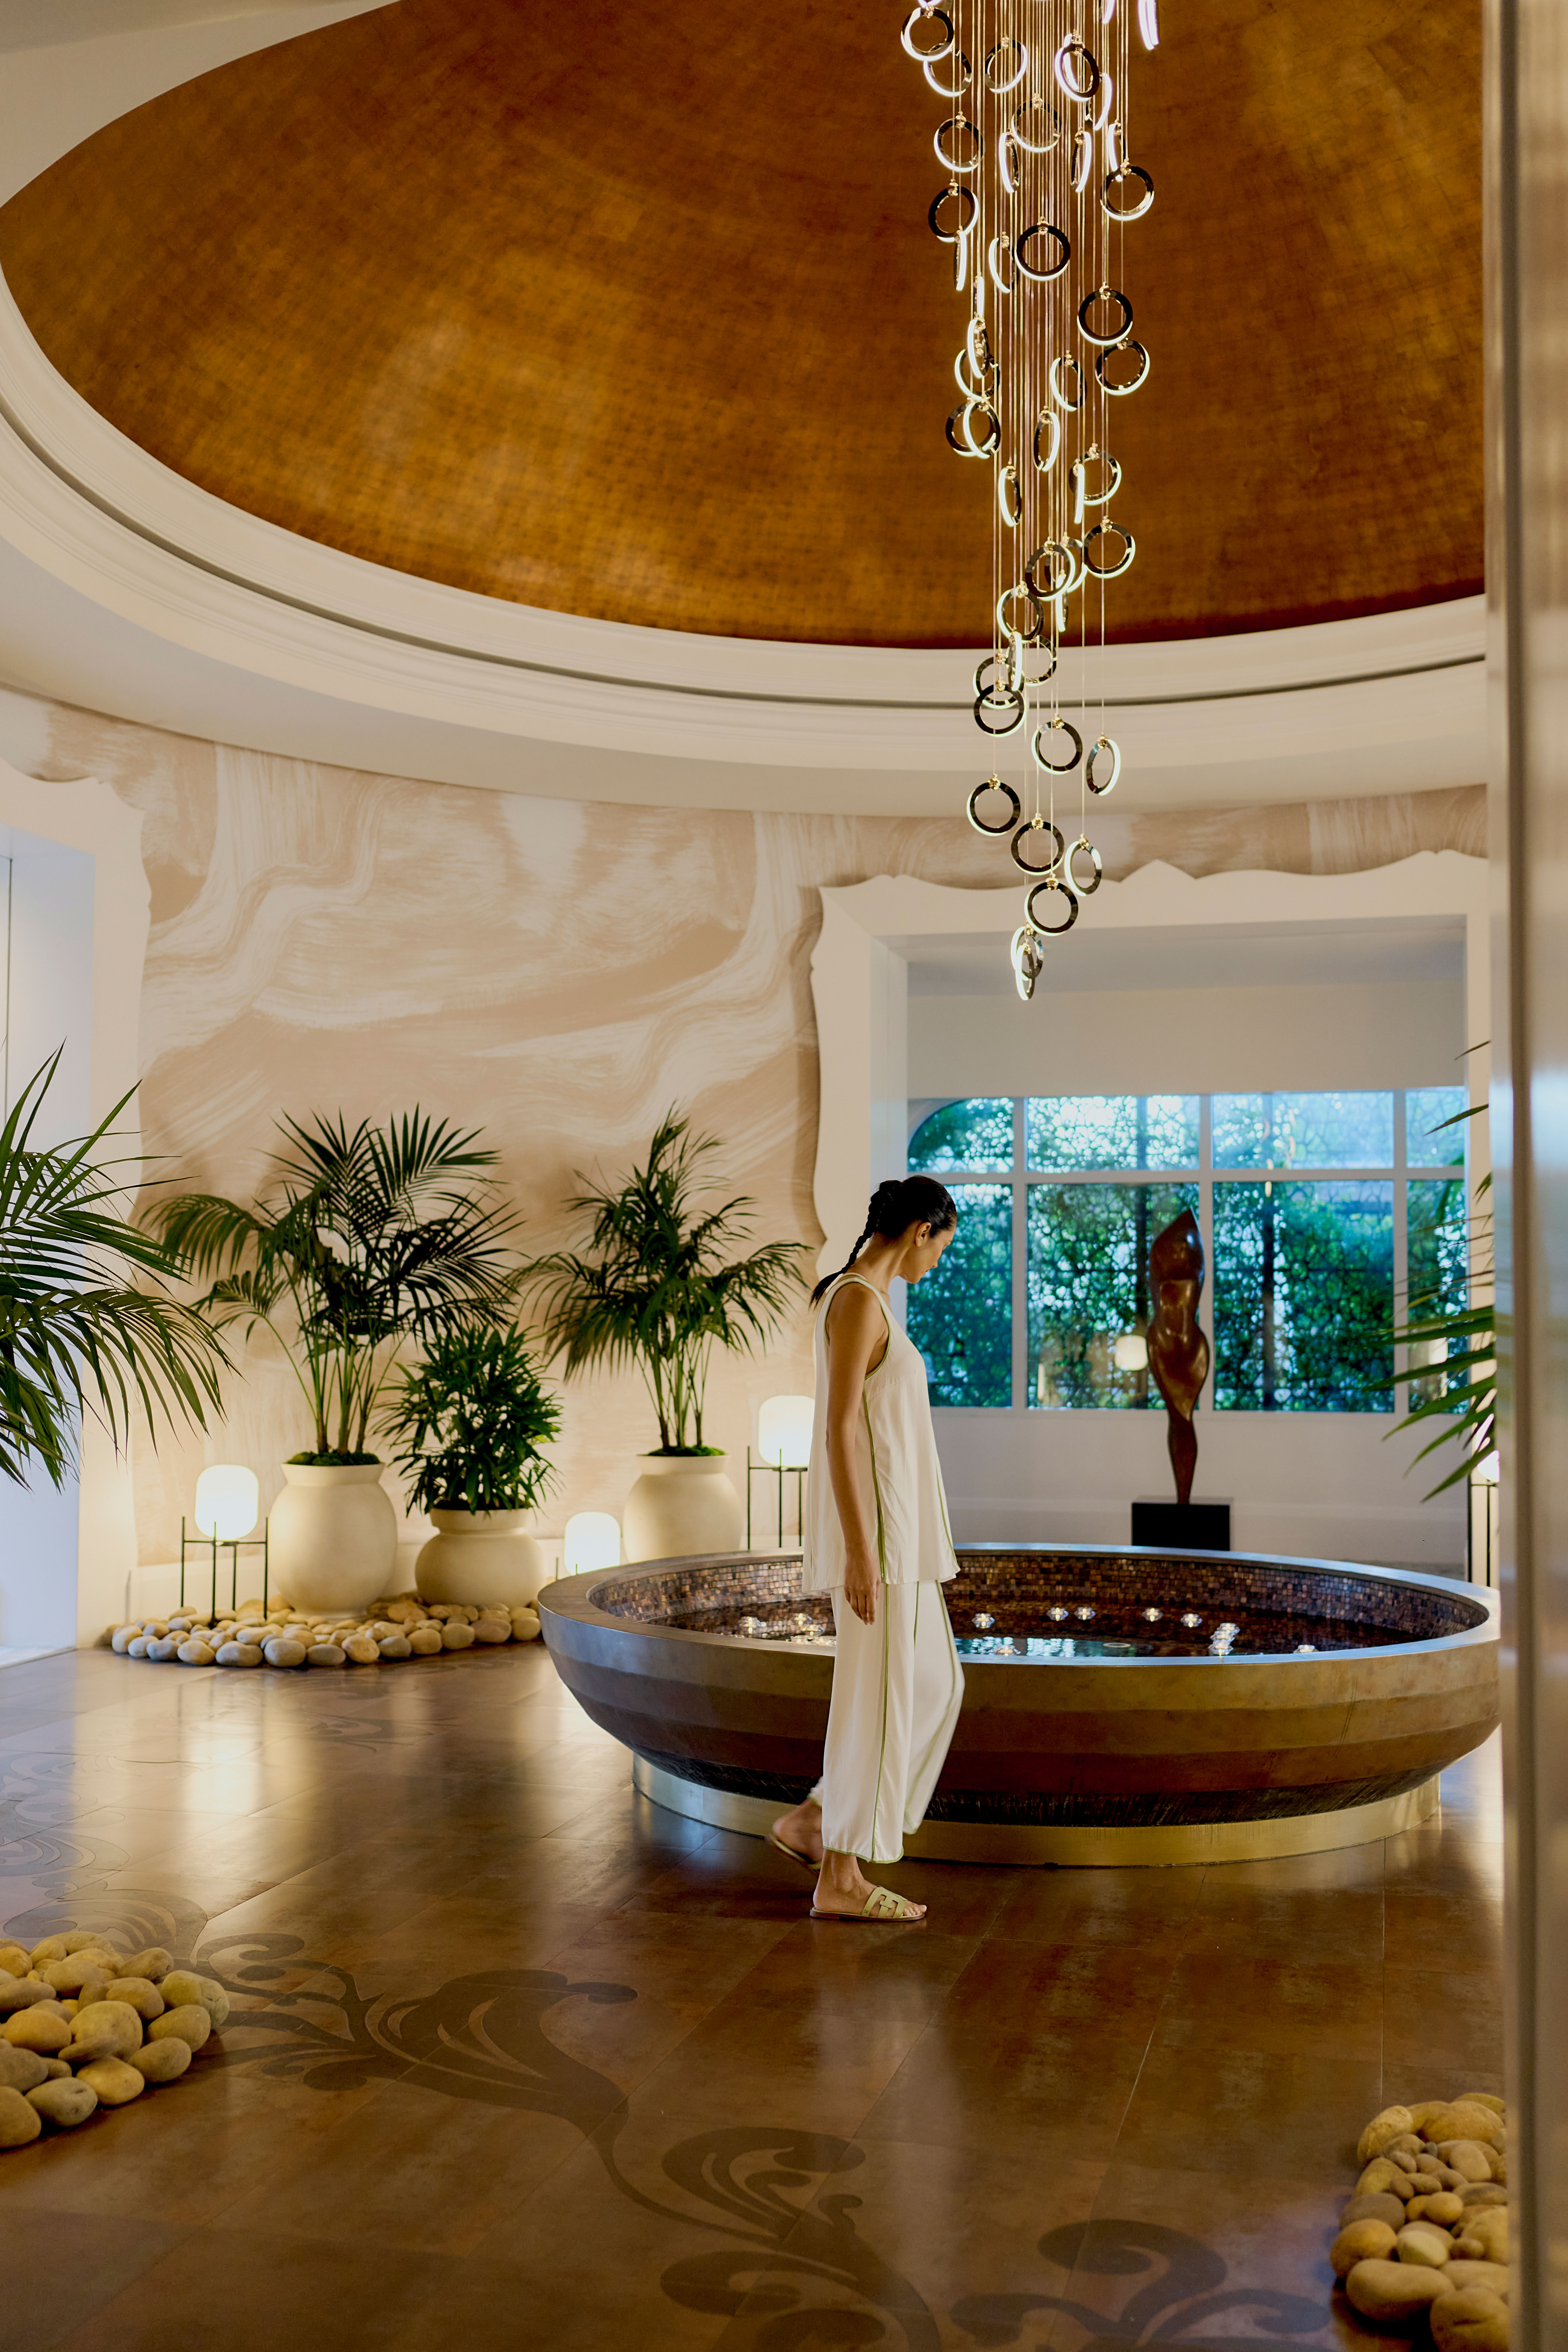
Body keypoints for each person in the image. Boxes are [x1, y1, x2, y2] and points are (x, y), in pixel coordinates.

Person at [769, 1175, 965, 1923]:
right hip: (880, 1544)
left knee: (937, 1688)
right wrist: (859, 1553)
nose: (937, 1264)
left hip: (904, 1544)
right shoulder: (856, 1301)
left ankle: (819, 1819)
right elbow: (839, 1429)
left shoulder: (865, 1300)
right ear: (921, 1230)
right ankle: (840, 1875)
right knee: (876, 1704)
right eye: (941, 1249)